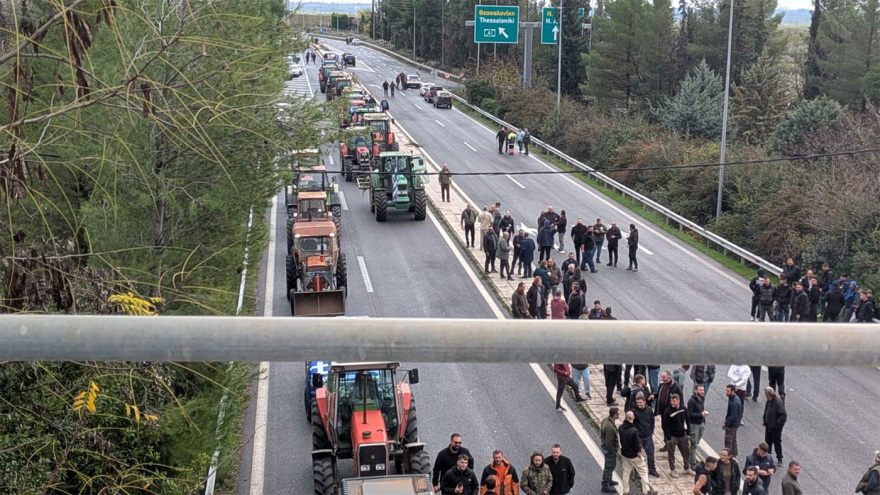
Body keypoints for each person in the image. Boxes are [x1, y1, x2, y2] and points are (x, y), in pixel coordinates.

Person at [619, 411, 659, 495]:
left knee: (626, 473)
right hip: (634, 456)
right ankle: (646, 491)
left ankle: (625, 491)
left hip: (625, 454)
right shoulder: (634, 431)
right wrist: (639, 454)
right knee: (643, 472)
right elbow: (636, 445)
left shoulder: (621, 428)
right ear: (632, 418)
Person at [662, 394, 691, 477]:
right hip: (672, 436)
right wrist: (668, 437)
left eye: (674, 401)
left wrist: (688, 433)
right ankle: (673, 470)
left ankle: (687, 468)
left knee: (686, 452)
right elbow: (665, 425)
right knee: (671, 454)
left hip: (683, 436)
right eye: (671, 401)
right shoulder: (668, 411)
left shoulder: (683, 409)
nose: (672, 403)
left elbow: (688, 421)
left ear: (678, 401)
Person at [632, 394, 659, 477]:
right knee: (638, 455)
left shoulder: (649, 410)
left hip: (648, 436)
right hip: (638, 437)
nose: (639, 404)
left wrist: (651, 430)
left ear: (644, 402)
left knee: (650, 454)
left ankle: (652, 469)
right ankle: (637, 471)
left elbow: (652, 421)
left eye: (640, 402)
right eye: (637, 403)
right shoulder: (633, 411)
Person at [763, 387, 787, 468]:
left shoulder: (778, 402)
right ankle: (768, 457)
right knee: (768, 441)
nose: (765, 395)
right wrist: (765, 420)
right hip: (769, 425)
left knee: (777, 442)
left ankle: (779, 458)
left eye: (765, 394)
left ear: (768, 394)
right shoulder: (769, 400)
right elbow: (767, 410)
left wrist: (776, 425)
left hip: (775, 428)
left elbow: (783, 416)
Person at [688, 384, 709, 468]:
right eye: (700, 390)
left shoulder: (702, 399)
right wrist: (700, 415)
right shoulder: (691, 401)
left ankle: (692, 458)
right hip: (694, 425)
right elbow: (689, 414)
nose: (702, 392)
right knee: (693, 443)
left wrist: (703, 419)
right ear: (695, 391)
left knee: (696, 442)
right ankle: (692, 461)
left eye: (703, 390)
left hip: (701, 423)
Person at [600, 407, 621, 493]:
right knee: (609, 466)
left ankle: (609, 480)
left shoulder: (605, 420)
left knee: (611, 465)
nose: (619, 415)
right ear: (615, 415)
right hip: (609, 450)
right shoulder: (610, 428)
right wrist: (613, 451)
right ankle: (605, 485)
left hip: (606, 448)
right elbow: (609, 442)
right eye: (618, 414)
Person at [723, 384, 743, 457]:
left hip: (732, 425)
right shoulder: (735, 398)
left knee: (728, 440)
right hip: (735, 424)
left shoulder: (733, 402)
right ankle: (734, 453)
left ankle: (727, 455)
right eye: (726, 390)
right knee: (733, 438)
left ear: (733, 391)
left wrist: (727, 424)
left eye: (728, 391)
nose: (726, 392)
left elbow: (733, 416)